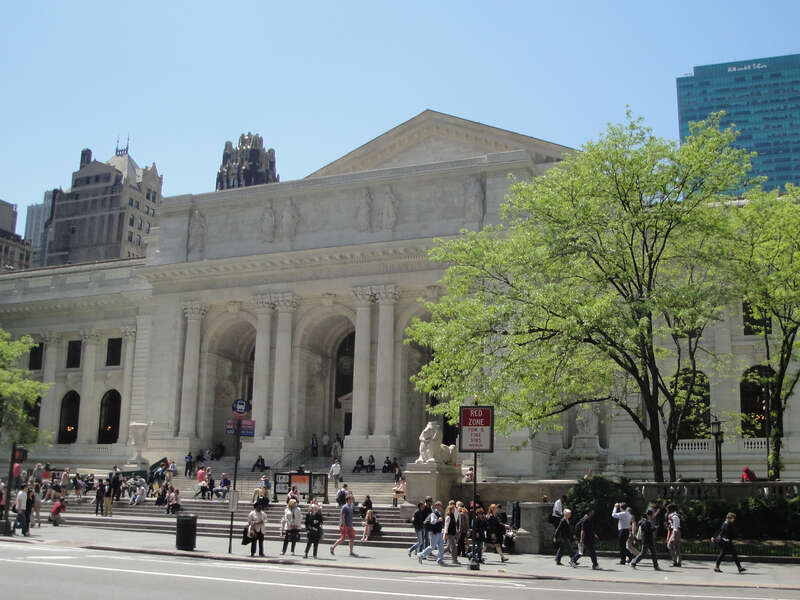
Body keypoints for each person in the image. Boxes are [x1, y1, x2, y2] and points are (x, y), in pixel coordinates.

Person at [418, 500, 446, 565]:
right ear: (436, 506)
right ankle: (421, 555)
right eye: (439, 505)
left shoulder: (439, 513)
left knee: (441, 546)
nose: (440, 506)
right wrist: (438, 520)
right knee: (432, 546)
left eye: (441, 505)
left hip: (439, 532)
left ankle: (440, 559)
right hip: (434, 532)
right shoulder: (434, 513)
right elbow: (432, 522)